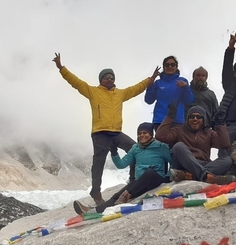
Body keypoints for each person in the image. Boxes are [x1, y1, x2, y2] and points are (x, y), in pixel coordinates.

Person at [53, 53, 160, 205]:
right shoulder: (93, 91)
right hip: (100, 133)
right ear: (101, 80)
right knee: (99, 162)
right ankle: (96, 192)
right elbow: (75, 82)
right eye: (107, 77)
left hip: (116, 132)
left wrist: (151, 79)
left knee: (135, 149)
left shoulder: (120, 93)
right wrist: (61, 68)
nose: (110, 80)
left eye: (112, 77)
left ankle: (132, 181)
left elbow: (136, 88)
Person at [73, 122, 171, 214]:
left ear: (151, 134)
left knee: (150, 172)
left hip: (155, 179)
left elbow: (173, 161)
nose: (142, 135)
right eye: (139, 133)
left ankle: (127, 195)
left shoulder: (160, 147)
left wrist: (168, 177)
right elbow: (121, 164)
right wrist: (114, 152)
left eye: (145, 133)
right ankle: (91, 211)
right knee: (116, 196)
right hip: (139, 183)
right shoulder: (135, 148)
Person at [155, 103, 236, 184]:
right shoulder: (179, 130)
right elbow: (160, 136)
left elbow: (224, 144)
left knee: (227, 160)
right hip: (183, 164)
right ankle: (205, 176)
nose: (195, 119)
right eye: (192, 116)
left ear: (203, 120)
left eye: (199, 117)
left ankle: (189, 175)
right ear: (187, 119)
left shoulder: (208, 132)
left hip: (202, 163)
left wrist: (220, 124)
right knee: (178, 146)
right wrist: (170, 116)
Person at [144, 55, 194, 129]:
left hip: (177, 120)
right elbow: (149, 100)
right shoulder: (158, 83)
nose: (170, 67)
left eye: (172, 65)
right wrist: (150, 86)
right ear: (164, 68)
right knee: (161, 141)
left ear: (176, 67)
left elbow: (189, 100)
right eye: (167, 65)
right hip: (160, 120)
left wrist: (185, 87)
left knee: (177, 141)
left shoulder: (183, 81)